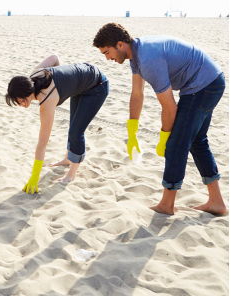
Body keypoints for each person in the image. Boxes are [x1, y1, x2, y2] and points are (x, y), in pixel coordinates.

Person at [93, 22, 226, 215]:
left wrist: (164, 139)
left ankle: (166, 205)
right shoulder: (136, 56)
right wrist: (132, 134)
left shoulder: (147, 60)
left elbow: (169, 107)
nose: (107, 59)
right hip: (207, 81)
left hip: (203, 85)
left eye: (107, 52)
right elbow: (137, 95)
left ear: (120, 45)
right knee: (197, 140)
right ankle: (216, 202)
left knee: (176, 143)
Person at [5, 55, 109, 193]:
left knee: (76, 131)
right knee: (73, 125)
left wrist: (34, 177)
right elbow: (54, 58)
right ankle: (67, 159)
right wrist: (64, 83)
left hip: (96, 86)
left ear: (29, 92)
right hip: (82, 81)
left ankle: (71, 174)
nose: (22, 105)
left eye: (22, 101)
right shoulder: (35, 74)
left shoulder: (46, 101)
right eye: (18, 103)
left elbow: (42, 143)